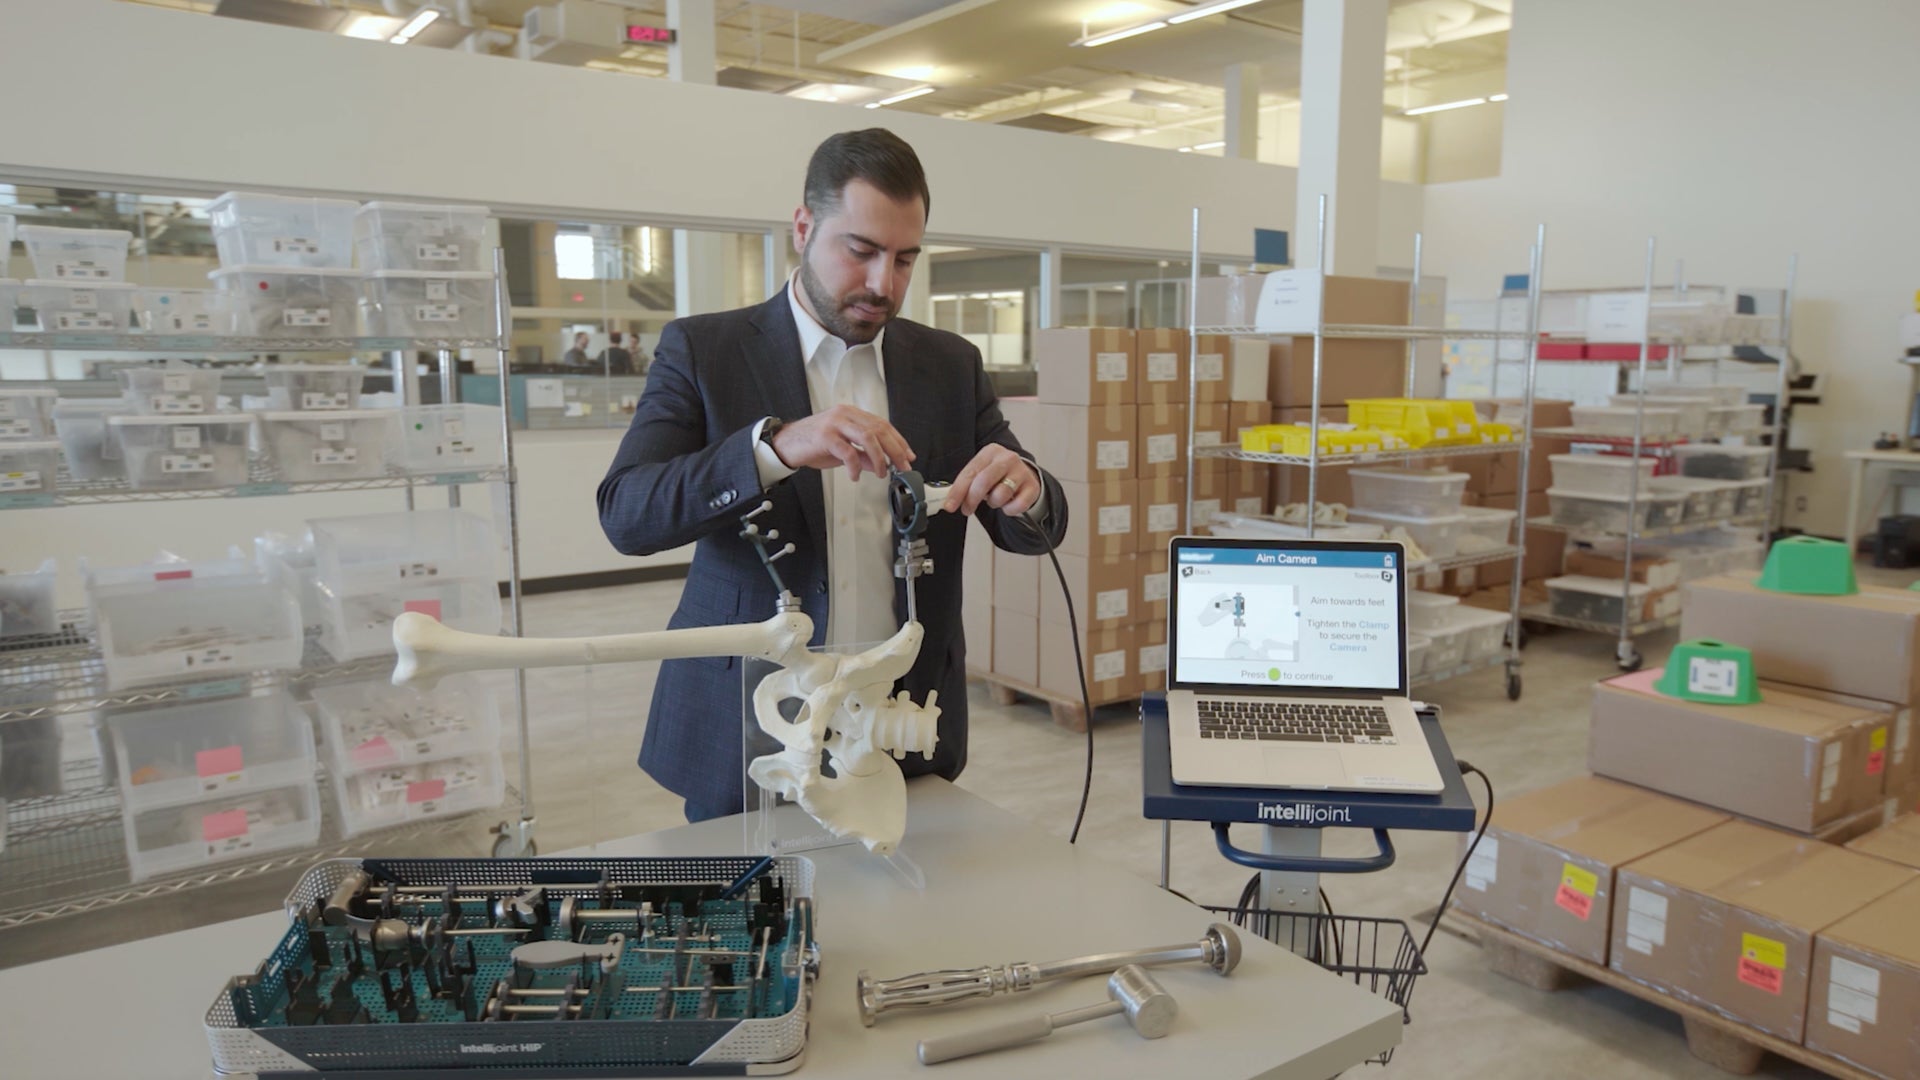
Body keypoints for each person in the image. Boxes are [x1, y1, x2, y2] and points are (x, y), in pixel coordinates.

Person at [597, 128, 1068, 822]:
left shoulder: (950, 364)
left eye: (905, 259)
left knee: (901, 920)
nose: (885, 283)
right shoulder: (706, 349)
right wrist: (775, 449)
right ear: (802, 227)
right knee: (752, 923)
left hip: (902, 723)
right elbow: (628, 513)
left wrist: (1025, 486)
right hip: (750, 722)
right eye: (862, 251)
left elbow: (1027, 521)